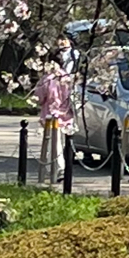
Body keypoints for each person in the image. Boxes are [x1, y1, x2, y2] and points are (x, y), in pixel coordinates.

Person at [35, 41, 77, 169]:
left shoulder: (48, 79)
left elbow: (39, 98)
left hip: (50, 114)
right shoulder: (67, 78)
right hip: (65, 113)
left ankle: (58, 168)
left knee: (53, 142)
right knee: (61, 141)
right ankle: (56, 166)